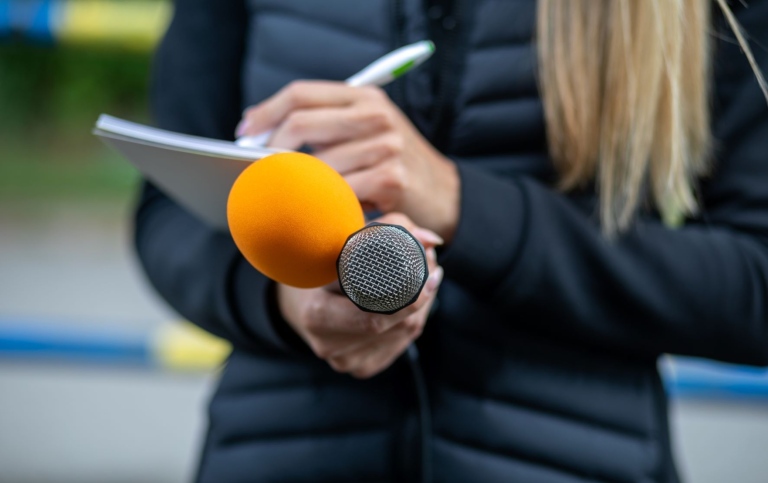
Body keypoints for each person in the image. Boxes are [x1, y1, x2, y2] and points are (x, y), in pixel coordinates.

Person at [134, 0, 768, 481]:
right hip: (273, 455)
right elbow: (169, 212)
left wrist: (461, 204)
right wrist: (283, 298)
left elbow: (755, 284)